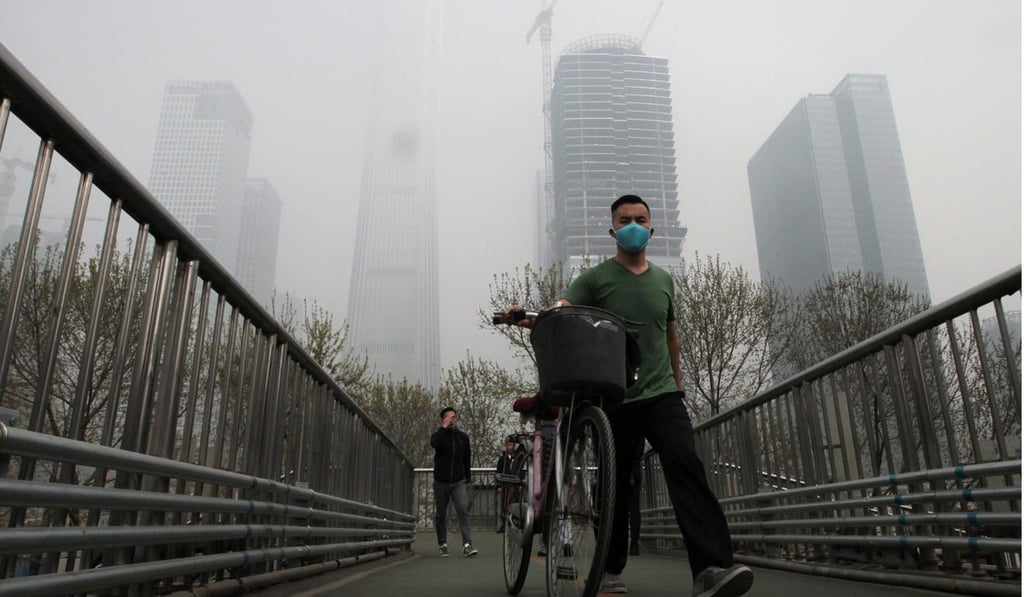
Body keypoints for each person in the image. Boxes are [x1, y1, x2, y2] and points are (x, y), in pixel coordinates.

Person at [501, 195, 753, 596]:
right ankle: (610, 568)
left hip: (663, 395)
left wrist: (679, 384)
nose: (632, 224)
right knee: (618, 487)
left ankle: (710, 569)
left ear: (651, 229)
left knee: (685, 464)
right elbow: (563, 309)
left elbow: (670, 336)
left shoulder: (664, 281)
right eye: (624, 219)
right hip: (615, 396)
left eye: (639, 219)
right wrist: (527, 316)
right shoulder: (597, 278)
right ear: (613, 230)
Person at [430, 407, 478, 557]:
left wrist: (468, 479)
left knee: (463, 510)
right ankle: (442, 544)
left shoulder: (463, 437)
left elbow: (466, 459)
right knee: (441, 514)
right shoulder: (439, 436)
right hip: (441, 482)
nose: (452, 419)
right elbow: (434, 444)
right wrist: (443, 428)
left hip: (458, 481)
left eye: (454, 417)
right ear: (443, 419)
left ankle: (467, 544)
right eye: (448, 417)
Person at [494, 436, 517, 532]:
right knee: (502, 505)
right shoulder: (502, 459)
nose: (510, 447)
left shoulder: (517, 458)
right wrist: (499, 486)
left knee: (513, 504)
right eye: (508, 445)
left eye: (511, 445)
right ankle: (502, 524)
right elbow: (498, 472)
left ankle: (513, 522)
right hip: (504, 484)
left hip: (514, 485)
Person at [628, 440, 644, 557]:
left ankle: (619, 546)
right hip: (635, 467)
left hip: (622, 467)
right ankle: (634, 544)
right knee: (634, 506)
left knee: (620, 506)